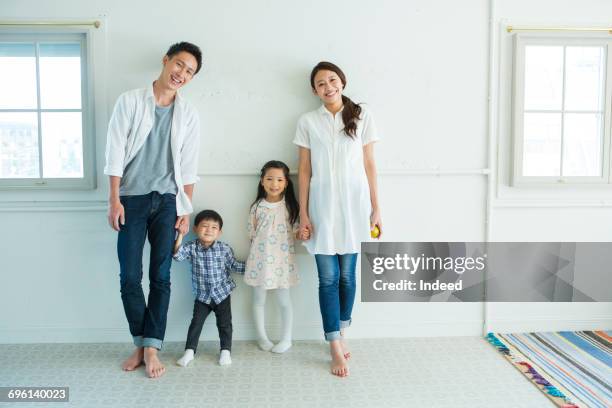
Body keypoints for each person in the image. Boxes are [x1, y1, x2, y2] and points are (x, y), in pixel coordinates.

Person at [104, 42, 203, 378]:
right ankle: (140, 340)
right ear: (166, 61)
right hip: (131, 199)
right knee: (129, 277)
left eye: (190, 72)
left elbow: (189, 166)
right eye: (179, 65)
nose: (182, 74)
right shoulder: (131, 100)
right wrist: (113, 199)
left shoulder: (188, 113)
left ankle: (151, 346)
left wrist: (185, 211)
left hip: (168, 202)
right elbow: (114, 149)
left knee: (160, 278)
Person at [293, 61, 382, 377]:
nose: (328, 86)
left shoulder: (361, 115)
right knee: (327, 278)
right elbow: (304, 170)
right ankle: (333, 344)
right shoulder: (307, 121)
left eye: (332, 80)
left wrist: (376, 207)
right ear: (314, 90)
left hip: (355, 206)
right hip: (321, 207)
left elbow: (369, 163)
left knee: (347, 277)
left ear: (342, 82)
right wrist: (303, 213)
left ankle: (342, 329)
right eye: (320, 83)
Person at [244, 160, 306, 353]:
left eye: (279, 179)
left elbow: (296, 232)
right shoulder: (257, 207)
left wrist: (302, 234)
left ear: (286, 182)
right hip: (260, 261)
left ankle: (286, 338)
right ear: (262, 181)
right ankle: (262, 338)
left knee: (284, 301)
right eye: (270, 179)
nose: (274, 183)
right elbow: (251, 234)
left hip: (282, 262)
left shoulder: (290, 207)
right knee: (258, 299)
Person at [174, 210, 246, 367]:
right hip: (202, 296)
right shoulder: (191, 247)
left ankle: (225, 352)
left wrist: (254, 267)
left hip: (222, 294)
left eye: (214, 227)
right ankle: (189, 352)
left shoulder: (224, 249)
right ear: (195, 229)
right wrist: (180, 234)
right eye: (204, 226)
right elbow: (177, 256)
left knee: (225, 324)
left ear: (219, 232)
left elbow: (234, 265)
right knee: (196, 323)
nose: (209, 230)